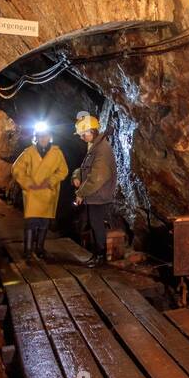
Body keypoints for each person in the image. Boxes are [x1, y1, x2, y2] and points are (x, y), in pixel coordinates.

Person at [12, 122, 69, 261]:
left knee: (44, 223)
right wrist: (28, 183)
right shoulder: (28, 152)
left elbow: (63, 171)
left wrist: (51, 181)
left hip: (48, 193)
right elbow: (16, 169)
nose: (43, 138)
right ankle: (28, 251)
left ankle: (40, 249)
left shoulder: (57, 153)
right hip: (32, 194)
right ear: (36, 137)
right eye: (40, 136)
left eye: (46, 136)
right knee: (31, 222)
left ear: (50, 136)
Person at [72, 112, 117, 267]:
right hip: (94, 195)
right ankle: (97, 254)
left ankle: (101, 256)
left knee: (97, 225)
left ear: (91, 132)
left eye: (83, 134)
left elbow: (97, 177)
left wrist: (81, 193)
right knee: (94, 224)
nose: (81, 137)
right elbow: (85, 168)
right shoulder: (95, 147)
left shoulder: (102, 150)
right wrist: (76, 175)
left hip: (99, 195)